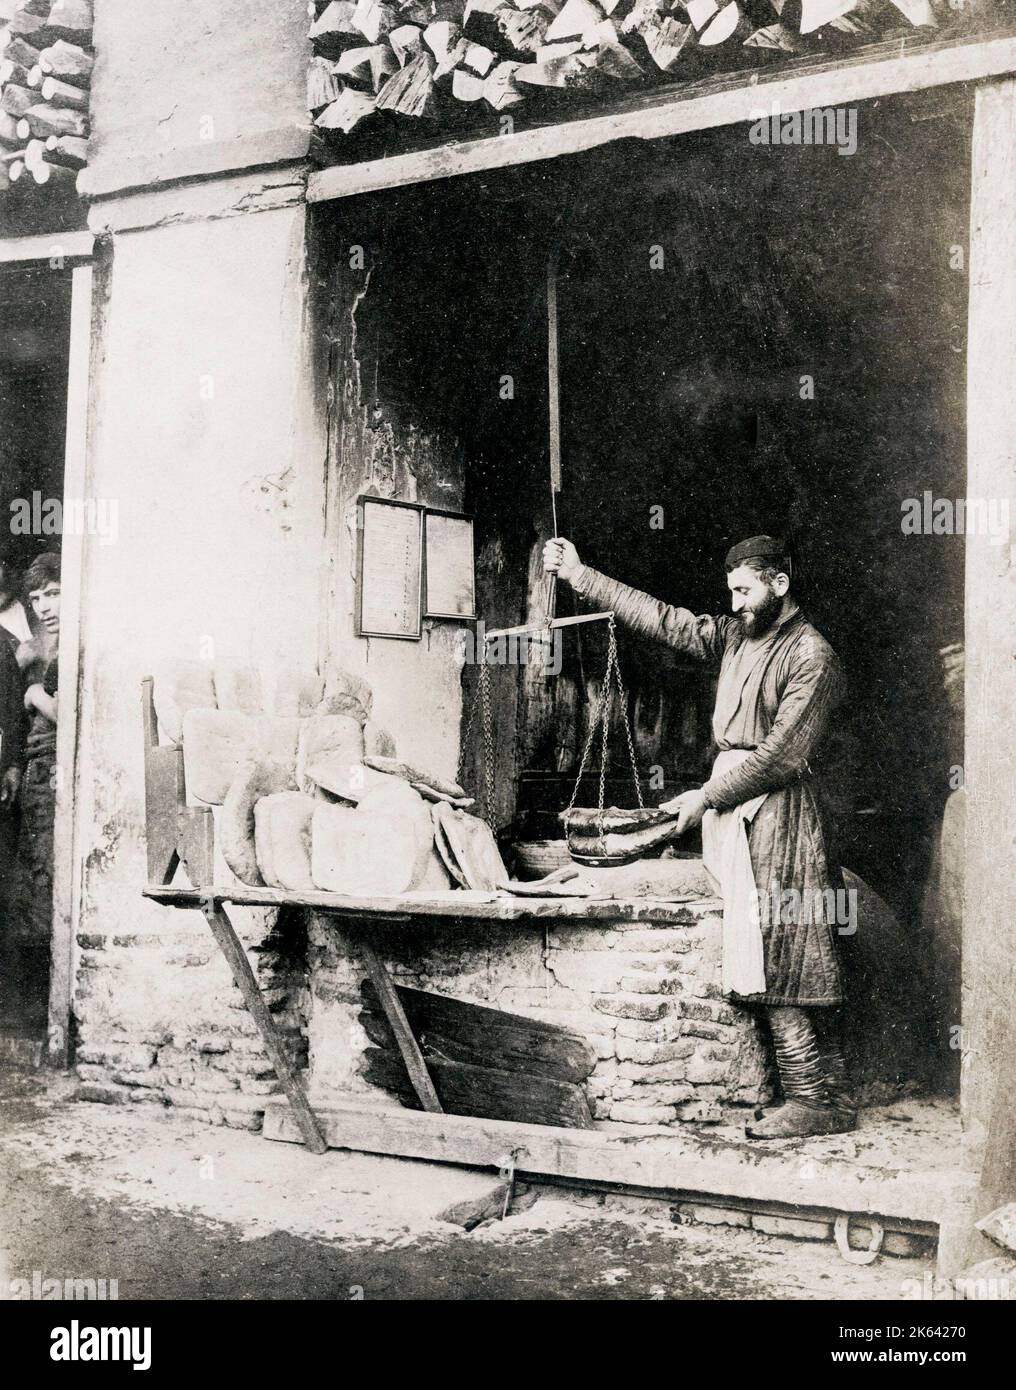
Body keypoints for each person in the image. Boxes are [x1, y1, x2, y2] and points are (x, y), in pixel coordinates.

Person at [544, 533, 855, 1139]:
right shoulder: (738, 634)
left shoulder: (811, 656)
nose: (735, 602)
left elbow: (782, 755)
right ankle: (816, 1096)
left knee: (780, 944)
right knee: (758, 942)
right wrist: (583, 575)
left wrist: (705, 797)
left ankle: (815, 1099)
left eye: (745, 590)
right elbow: (664, 620)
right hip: (736, 803)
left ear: (779, 585)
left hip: (778, 812)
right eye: (731, 592)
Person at [4, 553, 61, 1034]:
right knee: (27, 882)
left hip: (60, 771)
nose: (45, 605)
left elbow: (75, 716)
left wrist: (36, 697)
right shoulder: (27, 649)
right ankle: (26, 1008)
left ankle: (44, 1008)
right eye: (37, 597)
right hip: (34, 771)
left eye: (54, 593)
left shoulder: (76, 645)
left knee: (48, 879)